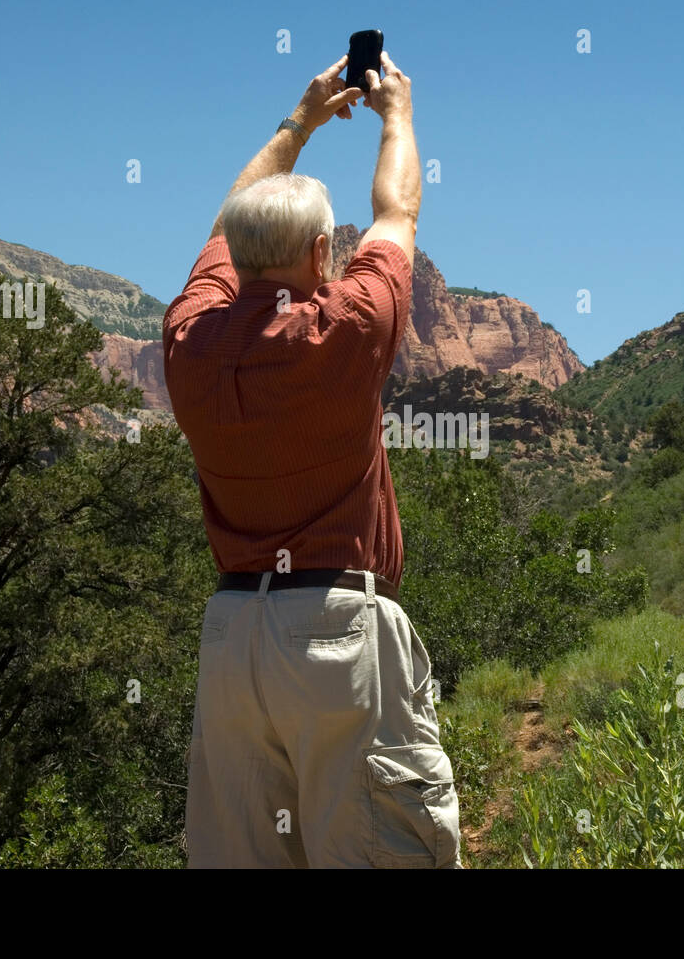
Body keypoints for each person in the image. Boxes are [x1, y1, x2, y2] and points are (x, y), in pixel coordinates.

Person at [163, 50, 461, 868]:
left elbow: (230, 219)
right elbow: (397, 213)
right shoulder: (349, 325)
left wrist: (299, 122)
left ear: (234, 254)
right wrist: (395, 113)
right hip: (336, 637)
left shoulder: (189, 337)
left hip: (233, 641)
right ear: (324, 254)